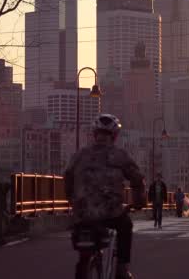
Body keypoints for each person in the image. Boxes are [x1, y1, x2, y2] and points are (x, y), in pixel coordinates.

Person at [65, 113, 146, 279]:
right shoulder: (120, 155)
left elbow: (67, 177)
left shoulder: (79, 155)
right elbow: (137, 179)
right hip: (110, 213)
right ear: (115, 136)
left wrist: (72, 200)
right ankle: (122, 269)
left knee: (83, 254)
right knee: (125, 226)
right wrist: (139, 201)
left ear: (95, 134)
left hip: (82, 213)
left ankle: (84, 267)